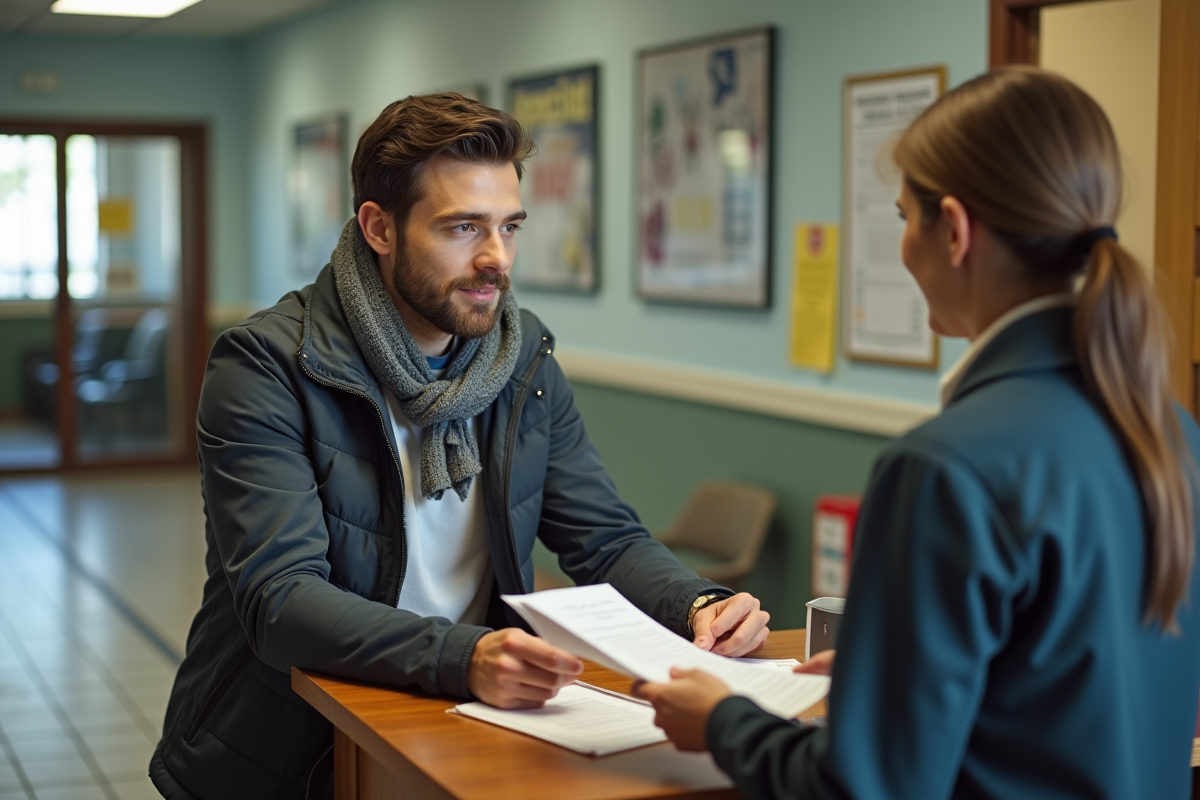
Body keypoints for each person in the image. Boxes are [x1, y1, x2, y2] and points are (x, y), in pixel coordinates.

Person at [149, 93, 770, 800]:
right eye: (463, 227)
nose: (495, 258)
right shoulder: (268, 365)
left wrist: (697, 604)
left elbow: (605, 537)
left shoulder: (521, 356)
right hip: (287, 749)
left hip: (458, 716)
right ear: (379, 228)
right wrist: (463, 655)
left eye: (510, 227)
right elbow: (281, 599)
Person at [633, 66, 1200, 799]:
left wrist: (723, 723)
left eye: (905, 217)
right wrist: (896, 677)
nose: (902, 245)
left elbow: (863, 788)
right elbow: (1074, 695)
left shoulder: (947, 466)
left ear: (954, 230)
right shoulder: (1170, 433)